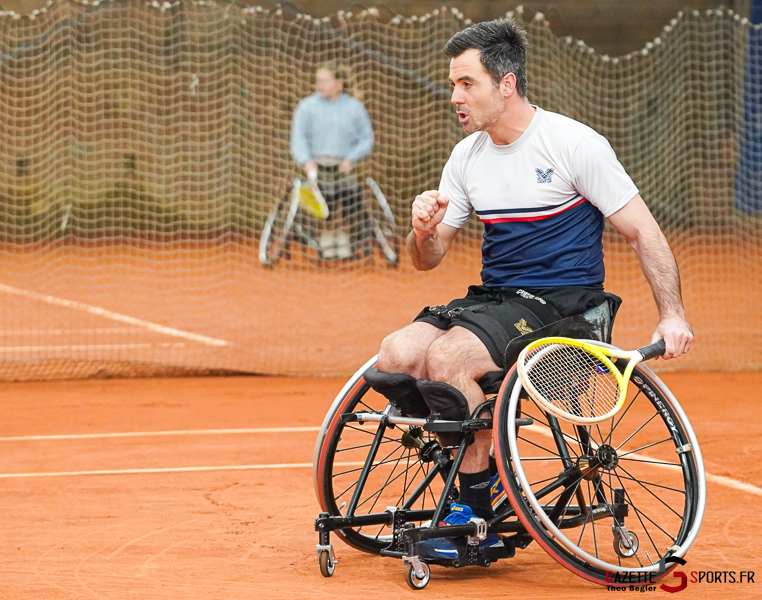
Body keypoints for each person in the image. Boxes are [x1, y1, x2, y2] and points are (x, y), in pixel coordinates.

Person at [375, 19, 694, 560]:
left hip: (566, 306)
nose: (455, 96)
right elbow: (426, 261)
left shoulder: (572, 143)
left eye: (466, 83)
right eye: (453, 84)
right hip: (497, 301)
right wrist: (422, 231)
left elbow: (643, 232)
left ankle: (474, 510)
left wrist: (673, 314)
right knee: (397, 353)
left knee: (450, 357)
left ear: (506, 83)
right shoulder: (467, 155)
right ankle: (479, 457)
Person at [290, 62, 375, 259]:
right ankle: (322, 236)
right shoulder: (306, 107)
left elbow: (366, 138)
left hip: (344, 169)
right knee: (317, 200)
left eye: (325, 81)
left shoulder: (354, 107)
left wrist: (351, 158)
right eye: (318, 81)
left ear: (339, 83)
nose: (320, 85)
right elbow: (298, 139)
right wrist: (306, 162)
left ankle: (345, 237)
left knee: (351, 197)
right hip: (316, 169)